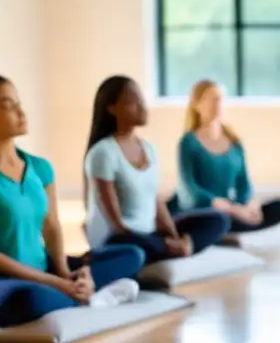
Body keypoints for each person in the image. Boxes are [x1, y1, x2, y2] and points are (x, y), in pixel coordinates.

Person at [0, 75, 144, 329]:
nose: (21, 112)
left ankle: (79, 292)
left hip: (44, 269)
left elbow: (51, 226)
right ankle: (90, 298)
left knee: (131, 254)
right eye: (9, 105)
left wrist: (63, 272)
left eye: (20, 103)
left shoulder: (40, 168)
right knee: (26, 300)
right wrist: (57, 283)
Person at [84, 76, 230, 264]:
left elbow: (156, 200)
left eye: (142, 100)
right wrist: (159, 243)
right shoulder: (103, 153)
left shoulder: (149, 148)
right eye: (132, 102)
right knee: (134, 250)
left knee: (219, 220)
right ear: (112, 109)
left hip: (149, 233)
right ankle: (166, 250)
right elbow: (116, 226)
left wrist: (174, 236)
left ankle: (183, 248)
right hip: (119, 239)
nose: (142, 106)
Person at [175, 79, 280, 233]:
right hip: (204, 210)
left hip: (231, 209)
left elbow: (244, 183)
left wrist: (243, 207)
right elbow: (189, 190)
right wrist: (230, 208)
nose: (217, 104)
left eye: (220, 99)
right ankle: (225, 228)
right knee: (219, 219)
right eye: (211, 99)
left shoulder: (234, 141)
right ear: (196, 105)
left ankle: (231, 228)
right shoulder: (188, 142)